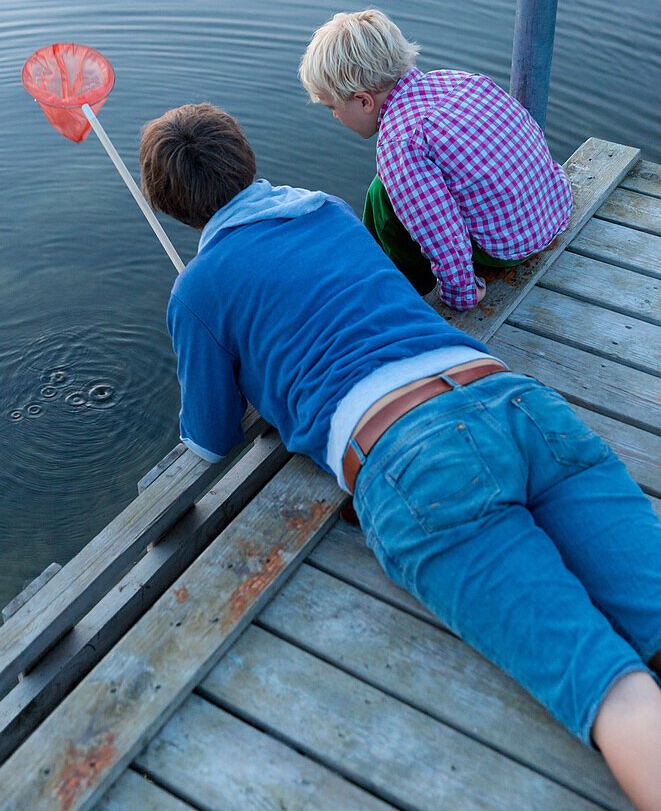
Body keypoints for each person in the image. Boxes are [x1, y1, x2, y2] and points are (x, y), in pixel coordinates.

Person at [139, 103, 661, 811]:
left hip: (414, 461)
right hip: (512, 403)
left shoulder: (198, 288)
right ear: (244, 158)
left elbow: (208, 440)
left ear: (164, 201)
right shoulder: (324, 211)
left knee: (606, 684)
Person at [299, 9, 573, 307]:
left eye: (332, 107)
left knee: (382, 194)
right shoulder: (459, 81)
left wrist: (462, 292)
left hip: (508, 247)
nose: (335, 116)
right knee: (409, 184)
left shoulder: (400, 143)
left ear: (364, 101)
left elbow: (442, 231)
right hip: (552, 210)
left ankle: (399, 287)